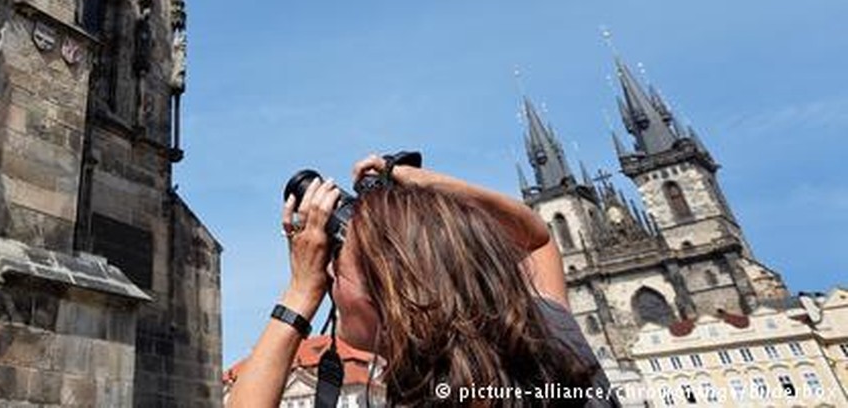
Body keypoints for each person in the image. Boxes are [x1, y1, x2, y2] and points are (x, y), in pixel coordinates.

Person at [228, 153, 615, 407]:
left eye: (337, 262)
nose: (325, 271)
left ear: (389, 293)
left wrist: (299, 293)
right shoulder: (551, 334)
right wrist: (411, 180)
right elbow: (537, 237)